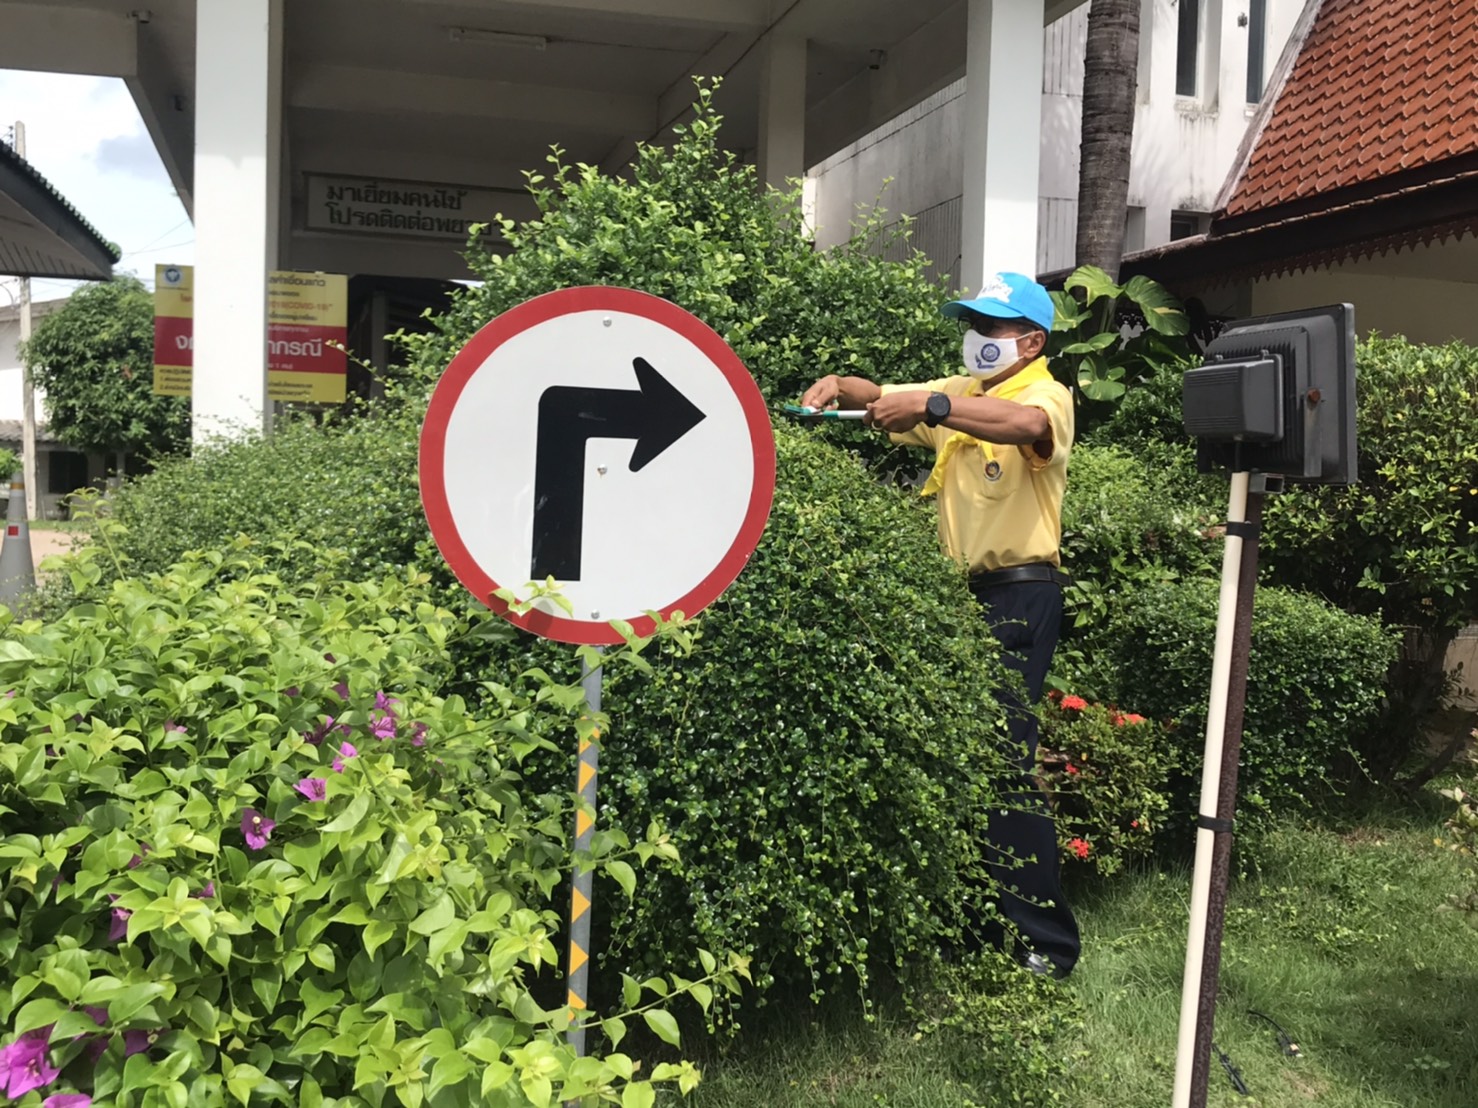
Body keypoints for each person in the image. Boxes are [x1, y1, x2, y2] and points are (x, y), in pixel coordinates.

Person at [799, 271, 1081, 978]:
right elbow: (886, 398)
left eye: (992, 328)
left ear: (1031, 340)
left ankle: (1047, 943)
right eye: (974, 325)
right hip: (967, 598)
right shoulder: (964, 394)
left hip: (1020, 595)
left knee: (1002, 767)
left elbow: (1025, 431)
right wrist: (843, 383)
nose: (979, 338)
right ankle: (983, 924)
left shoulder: (1042, 396)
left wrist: (934, 404)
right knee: (965, 761)